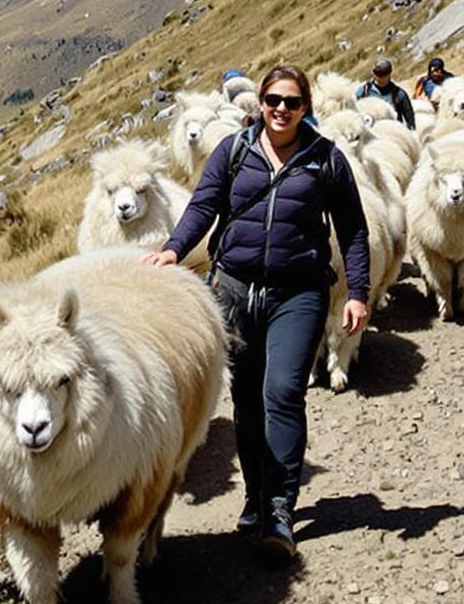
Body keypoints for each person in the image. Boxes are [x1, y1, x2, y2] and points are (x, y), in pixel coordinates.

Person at [144, 64, 371, 561]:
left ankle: (281, 508)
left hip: (299, 292)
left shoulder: (325, 159)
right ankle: (254, 495)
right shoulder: (234, 151)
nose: (281, 110)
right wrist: (173, 249)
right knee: (246, 400)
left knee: (283, 393)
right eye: (273, 100)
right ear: (260, 103)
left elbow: (353, 229)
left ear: (305, 107)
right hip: (235, 290)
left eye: (292, 102)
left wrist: (358, 292)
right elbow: (203, 207)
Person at [356, 57, 416, 128]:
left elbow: (410, 121)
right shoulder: (363, 92)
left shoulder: (399, 95)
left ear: (389, 74)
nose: (380, 78)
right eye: (377, 74)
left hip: (392, 132)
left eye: (383, 75)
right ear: (373, 73)